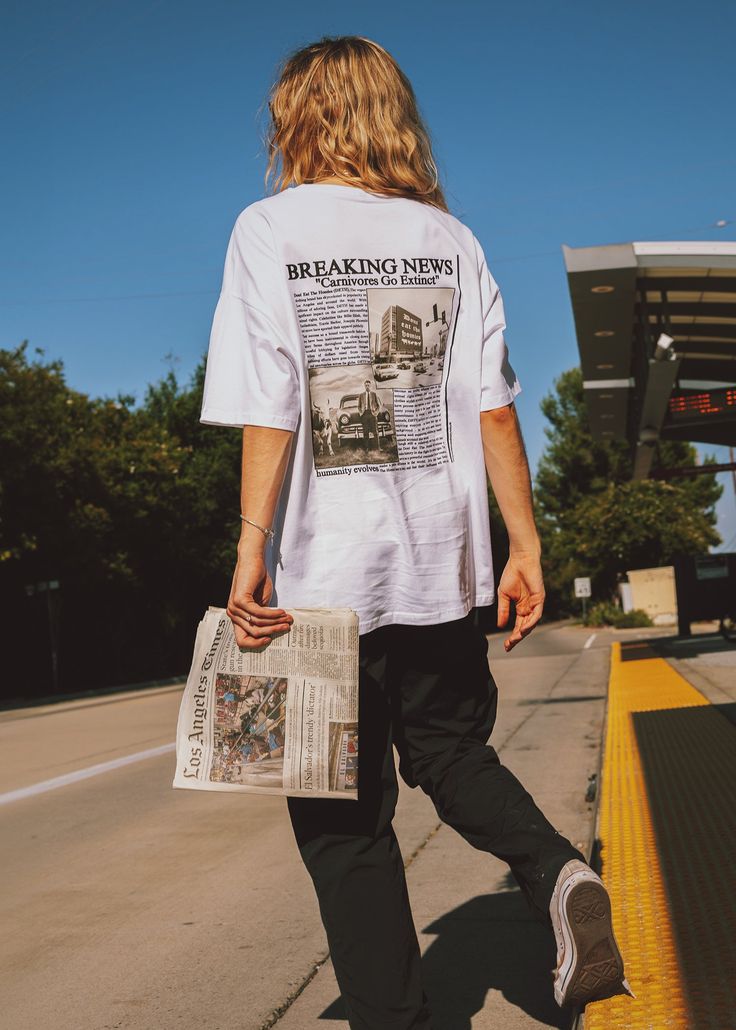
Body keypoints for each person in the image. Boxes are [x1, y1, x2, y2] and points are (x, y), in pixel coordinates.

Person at [200, 35, 632, 1029]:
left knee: (339, 822)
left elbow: (272, 400)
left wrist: (250, 543)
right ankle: (553, 868)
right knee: (448, 750)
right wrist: (523, 543)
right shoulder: (453, 240)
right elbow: (491, 407)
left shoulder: (268, 229)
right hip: (439, 563)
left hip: (318, 572)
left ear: (297, 116)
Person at [357, 378, 381, 452]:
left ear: (370, 386)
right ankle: (366, 448)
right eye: (366, 385)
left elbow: (379, 405)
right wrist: (361, 413)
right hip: (365, 415)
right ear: (364, 386)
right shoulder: (361, 395)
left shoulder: (374, 394)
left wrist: (376, 413)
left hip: (372, 414)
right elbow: (358, 406)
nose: (367, 386)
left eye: (368, 385)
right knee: (365, 432)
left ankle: (377, 448)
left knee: (375, 432)